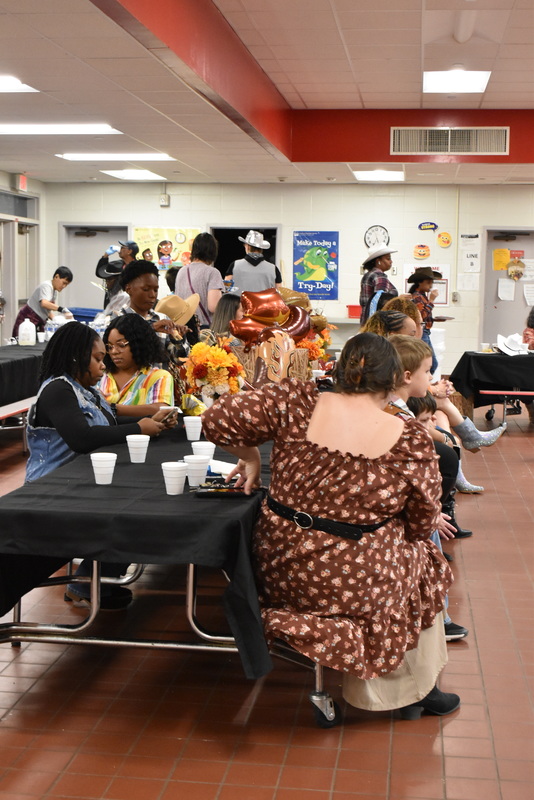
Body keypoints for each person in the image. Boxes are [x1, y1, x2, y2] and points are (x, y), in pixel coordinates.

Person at [203, 333, 459, 719]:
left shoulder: (293, 400)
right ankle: (410, 689)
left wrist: (251, 457)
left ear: (338, 370)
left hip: (281, 565)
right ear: (393, 380)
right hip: (357, 580)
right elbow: (423, 520)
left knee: (406, 555)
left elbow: (216, 421)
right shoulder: (410, 441)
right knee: (424, 560)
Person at [24, 322, 170, 610]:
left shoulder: (83, 390)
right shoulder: (58, 391)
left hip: (79, 484)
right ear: (77, 357)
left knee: (141, 504)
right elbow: (82, 437)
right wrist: (140, 428)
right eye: (98, 358)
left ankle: (95, 580)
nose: (104, 365)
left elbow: (110, 421)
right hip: (51, 491)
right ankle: (86, 583)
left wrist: (154, 421)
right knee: (132, 512)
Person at [99, 315, 174, 418]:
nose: (114, 352)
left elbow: (161, 410)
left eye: (121, 345)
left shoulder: (158, 377)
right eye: (109, 346)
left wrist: (110, 407)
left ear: (139, 344)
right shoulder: (100, 375)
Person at [174, 232, 224, 328]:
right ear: (213, 251)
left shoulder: (182, 271)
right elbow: (213, 307)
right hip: (204, 328)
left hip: (183, 327)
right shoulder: (212, 272)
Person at [12, 266, 73, 337]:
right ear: (56, 276)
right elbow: (44, 303)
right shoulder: (46, 286)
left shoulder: (54, 291)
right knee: (21, 342)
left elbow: (47, 310)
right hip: (28, 318)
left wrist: (56, 320)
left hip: (39, 320)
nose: (64, 286)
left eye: (66, 285)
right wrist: (62, 309)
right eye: (64, 283)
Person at [407, 266, 442, 374]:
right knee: (431, 363)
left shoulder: (421, 296)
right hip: (422, 332)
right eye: (428, 282)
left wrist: (432, 319)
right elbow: (421, 316)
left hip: (425, 331)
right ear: (419, 283)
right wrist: (431, 300)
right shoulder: (417, 296)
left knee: (429, 363)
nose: (430, 285)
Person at [225, 230, 282, 294]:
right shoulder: (273, 269)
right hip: (265, 303)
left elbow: (226, 289)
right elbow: (279, 293)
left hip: (239, 303)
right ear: (261, 248)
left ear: (248, 246)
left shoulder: (234, 265)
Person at [359, 245, 398, 324]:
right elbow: (381, 301)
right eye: (388, 258)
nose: (391, 261)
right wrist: (399, 299)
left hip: (367, 321)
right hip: (377, 323)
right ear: (378, 261)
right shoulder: (379, 276)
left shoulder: (369, 275)